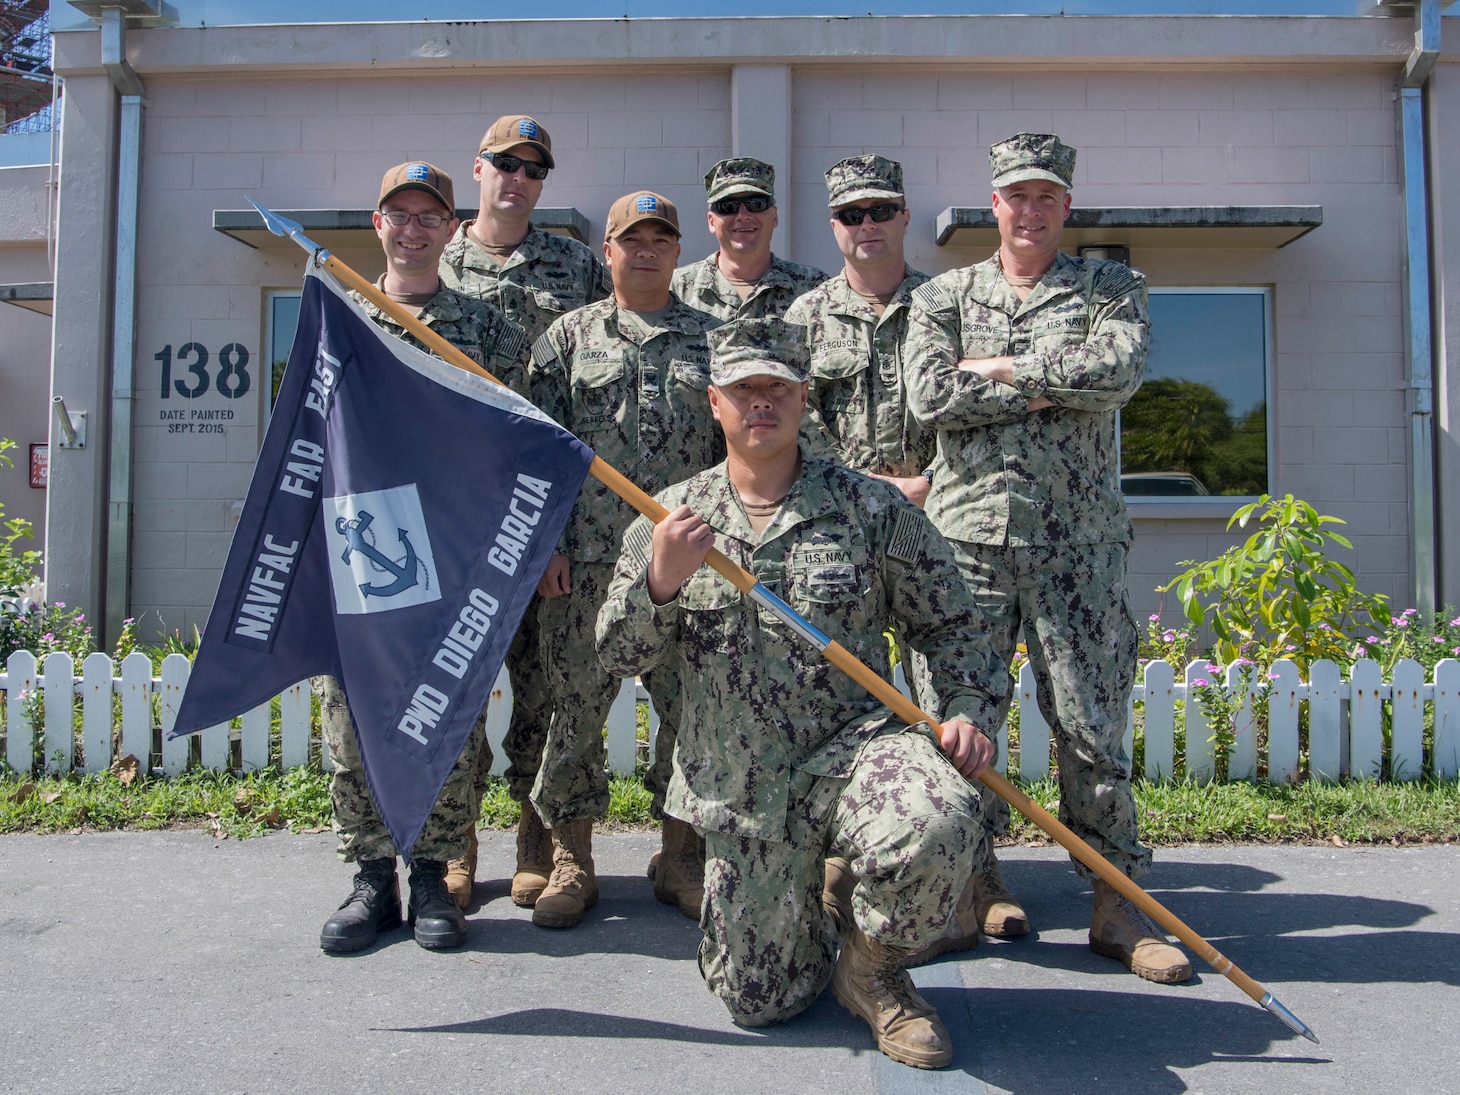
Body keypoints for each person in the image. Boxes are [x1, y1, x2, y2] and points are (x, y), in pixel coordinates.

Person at [595, 317, 1010, 1069]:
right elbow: (617, 654)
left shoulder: (872, 510)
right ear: (713, 402)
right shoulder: (670, 518)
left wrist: (966, 709)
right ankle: (813, 905)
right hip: (742, 786)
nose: (762, 402)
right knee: (762, 1000)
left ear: (803, 399)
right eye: (744, 388)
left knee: (940, 818)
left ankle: (874, 968)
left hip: (856, 756)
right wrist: (660, 582)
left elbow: (957, 629)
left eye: (777, 388)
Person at [904, 133, 1190, 982]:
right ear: (993, 205)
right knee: (960, 723)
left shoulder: (1112, 287)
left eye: (1046, 197)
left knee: (1092, 726)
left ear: (1066, 206)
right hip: (968, 547)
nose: (1030, 211)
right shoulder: (947, 294)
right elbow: (929, 392)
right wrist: (1045, 380)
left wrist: (1000, 367)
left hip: (1079, 549)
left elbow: (1120, 370)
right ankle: (969, 885)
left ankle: (1117, 901)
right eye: (1015, 196)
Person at [317, 162, 530, 954]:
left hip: (452, 544)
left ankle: (436, 874)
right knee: (353, 717)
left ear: (451, 228)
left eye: (428, 216)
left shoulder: (489, 330)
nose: (412, 229)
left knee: (452, 714)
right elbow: (306, 434)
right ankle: (373, 877)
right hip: (362, 544)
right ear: (378, 224)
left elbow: (524, 437)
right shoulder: (338, 316)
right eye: (398, 215)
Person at [786, 153, 978, 967]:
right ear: (835, 226)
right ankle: (852, 860)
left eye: (882, 210)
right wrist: (874, 487)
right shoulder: (803, 316)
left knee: (951, 705)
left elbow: (972, 410)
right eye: (852, 213)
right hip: (837, 533)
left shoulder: (948, 307)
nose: (868, 225)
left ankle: (967, 876)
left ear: (905, 216)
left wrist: (928, 486)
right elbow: (790, 423)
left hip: (938, 523)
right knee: (841, 702)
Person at [525, 190, 724, 929]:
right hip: (585, 570)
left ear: (678, 252)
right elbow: (536, 457)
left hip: (684, 567)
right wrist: (549, 545)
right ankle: (572, 858)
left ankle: (679, 856)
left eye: (660, 240)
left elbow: (736, 452)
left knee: (690, 713)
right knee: (572, 714)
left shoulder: (714, 342)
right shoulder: (566, 339)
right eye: (630, 240)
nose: (645, 251)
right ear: (605, 252)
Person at [437, 113, 613, 912]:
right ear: (477, 169)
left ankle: (538, 838)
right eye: (506, 162)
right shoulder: (432, 260)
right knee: (461, 687)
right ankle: (453, 844)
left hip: (543, 513)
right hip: (456, 512)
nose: (519, 177)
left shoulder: (577, 266)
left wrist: (566, 528)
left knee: (548, 687)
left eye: (534, 168)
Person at [671, 156, 827, 324]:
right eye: (728, 207)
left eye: (756, 204)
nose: (743, 216)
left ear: (774, 216)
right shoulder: (676, 289)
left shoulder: (813, 288)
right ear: (711, 222)